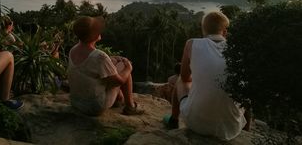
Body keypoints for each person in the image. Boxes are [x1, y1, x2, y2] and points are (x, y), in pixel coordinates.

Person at [164, 11, 249, 140]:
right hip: (231, 128)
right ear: (225, 32)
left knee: (180, 80)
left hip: (196, 123)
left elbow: (185, 77)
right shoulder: (238, 49)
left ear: (203, 30)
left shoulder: (192, 44)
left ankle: (174, 120)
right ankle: (247, 131)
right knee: (245, 90)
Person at [68, 16, 144, 116]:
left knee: (114, 64)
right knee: (123, 67)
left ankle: (118, 99)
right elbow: (120, 81)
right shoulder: (100, 57)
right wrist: (129, 67)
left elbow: (89, 67)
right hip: (94, 107)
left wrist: (110, 59)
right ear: (94, 35)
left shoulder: (73, 50)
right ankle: (130, 107)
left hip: (76, 102)